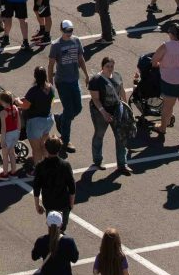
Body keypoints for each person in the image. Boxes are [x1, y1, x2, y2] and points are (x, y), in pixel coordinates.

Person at [48, 20, 86, 150]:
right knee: (69, 110)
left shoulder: (76, 41)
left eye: (70, 30)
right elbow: (51, 66)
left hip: (74, 79)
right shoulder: (56, 45)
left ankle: (61, 119)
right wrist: (50, 85)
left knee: (78, 108)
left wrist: (86, 75)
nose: (69, 33)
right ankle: (65, 140)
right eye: (66, 31)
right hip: (62, 82)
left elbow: (81, 59)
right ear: (61, 30)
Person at [88, 55, 129, 173]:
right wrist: (104, 113)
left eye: (112, 66)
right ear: (102, 67)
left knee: (120, 136)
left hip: (116, 110)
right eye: (107, 66)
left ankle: (122, 164)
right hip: (99, 112)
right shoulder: (95, 80)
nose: (110, 68)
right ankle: (97, 160)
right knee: (99, 134)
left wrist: (125, 106)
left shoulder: (117, 76)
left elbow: (121, 90)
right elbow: (95, 99)